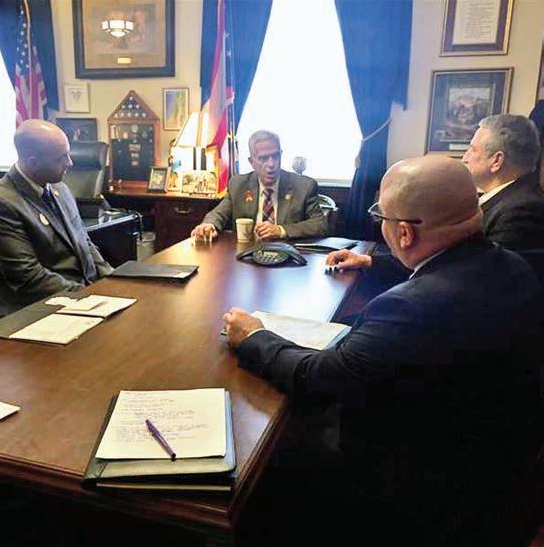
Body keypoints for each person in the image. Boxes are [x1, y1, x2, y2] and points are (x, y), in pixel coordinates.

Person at [224, 155, 543, 545]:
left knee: (264, 459)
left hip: (416, 490)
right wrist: (371, 262)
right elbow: (443, 266)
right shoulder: (513, 268)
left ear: (404, 233)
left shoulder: (409, 308)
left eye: (382, 217)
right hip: (496, 468)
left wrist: (255, 337)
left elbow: (318, 379)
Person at [0, 120, 113, 313]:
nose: (70, 163)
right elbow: (29, 279)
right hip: (47, 308)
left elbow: (84, 243)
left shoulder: (60, 188)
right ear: (33, 162)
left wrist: (112, 280)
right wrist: (89, 296)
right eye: (61, 158)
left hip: (86, 297)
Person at [190, 130, 328, 241]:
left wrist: (281, 230)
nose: (271, 164)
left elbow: (320, 225)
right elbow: (219, 213)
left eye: (275, 156)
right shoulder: (238, 185)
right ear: (251, 162)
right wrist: (209, 225)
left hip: (288, 256)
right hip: (246, 255)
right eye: (263, 158)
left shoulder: (304, 186)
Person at [462, 113, 544, 252]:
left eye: (473, 149)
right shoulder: (510, 201)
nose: (465, 158)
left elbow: (488, 264)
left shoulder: (521, 212)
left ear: (497, 161)